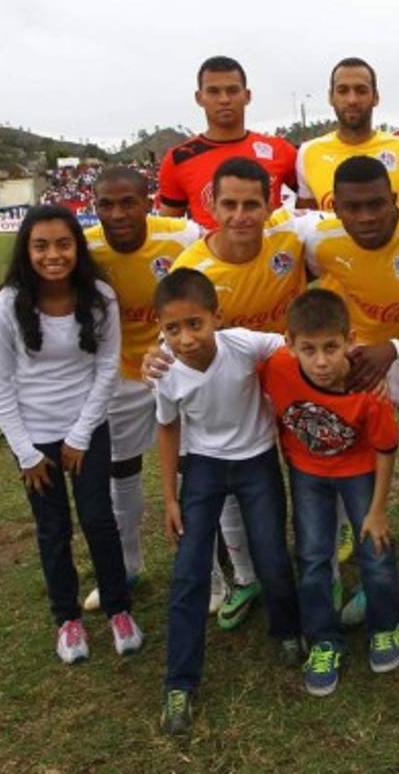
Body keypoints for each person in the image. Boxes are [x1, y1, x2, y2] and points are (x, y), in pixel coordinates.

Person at [299, 155, 399, 631]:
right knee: (360, 473)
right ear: (337, 207)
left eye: (377, 204)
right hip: (359, 364)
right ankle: (373, 582)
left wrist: (389, 349)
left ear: (395, 200)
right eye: (353, 208)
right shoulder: (318, 239)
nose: (366, 217)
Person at [0, 205, 143, 665]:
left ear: (77, 247)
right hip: (33, 441)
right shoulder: (5, 307)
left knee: (98, 518)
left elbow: (107, 369)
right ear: (26, 250)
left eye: (63, 244)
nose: (53, 255)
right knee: (52, 528)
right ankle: (66, 619)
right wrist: (26, 452)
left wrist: (80, 434)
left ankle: (119, 609)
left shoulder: (101, 298)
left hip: (88, 431)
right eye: (41, 246)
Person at [151, 268, 301, 735]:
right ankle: (180, 681)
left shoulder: (244, 343)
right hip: (204, 469)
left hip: (257, 462)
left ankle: (288, 630)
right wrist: (170, 497)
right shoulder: (164, 369)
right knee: (189, 571)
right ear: (161, 329)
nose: (186, 338)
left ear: (217, 317)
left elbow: (290, 346)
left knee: (272, 554)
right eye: (173, 329)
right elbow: (168, 427)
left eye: (195, 324)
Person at [169, 157, 308, 625]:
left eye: (253, 203)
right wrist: (156, 356)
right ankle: (246, 575)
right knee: (229, 482)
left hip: (288, 378)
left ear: (271, 204)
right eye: (229, 204)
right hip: (231, 386)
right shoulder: (193, 266)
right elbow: (173, 326)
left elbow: (340, 222)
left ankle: (322, 559)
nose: (241, 215)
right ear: (211, 204)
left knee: (311, 464)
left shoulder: (291, 238)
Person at [260, 289, 399, 697]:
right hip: (306, 471)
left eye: (331, 348)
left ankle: (385, 626)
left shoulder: (366, 385)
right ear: (289, 344)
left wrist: (378, 511)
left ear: (350, 340)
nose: (321, 361)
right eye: (308, 349)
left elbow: (387, 449)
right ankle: (324, 640)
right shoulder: (275, 367)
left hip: (359, 471)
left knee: (374, 551)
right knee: (312, 555)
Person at [80, 167, 202, 612]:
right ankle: (128, 566)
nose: (117, 213)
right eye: (106, 204)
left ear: (147, 199)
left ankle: (204, 569)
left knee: (192, 469)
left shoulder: (182, 237)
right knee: (122, 470)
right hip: (119, 377)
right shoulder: (85, 247)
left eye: (127, 202)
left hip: (176, 369)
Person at [158, 56, 298, 228]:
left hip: (269, 253)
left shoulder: (280, 150)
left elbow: (311, 208)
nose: (224, 99)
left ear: (247, 96)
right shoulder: (179, 159)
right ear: (199, 97)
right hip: (210, 254)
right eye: (213, 91)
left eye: (232, 90)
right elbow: (166, 230)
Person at [295, 57, 399, 212]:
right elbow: (306, 221)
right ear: (331, 97)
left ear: (376, 97)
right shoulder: (308, 153)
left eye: (361, 90)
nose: (352, 100)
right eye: (342, 91)